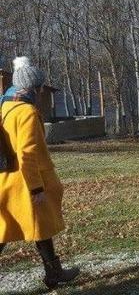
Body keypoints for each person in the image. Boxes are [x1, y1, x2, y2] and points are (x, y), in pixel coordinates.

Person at [0, 57, 80, 289]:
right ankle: (54, 273)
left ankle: (54, 272)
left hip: (8, 178)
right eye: (40, 85)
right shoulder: (26, 111)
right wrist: (36, 188)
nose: (43, 89)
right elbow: (27, 153)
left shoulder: (5, 106)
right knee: (7, 232)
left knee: (36, 227)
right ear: (33, 87)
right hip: (26, 181)